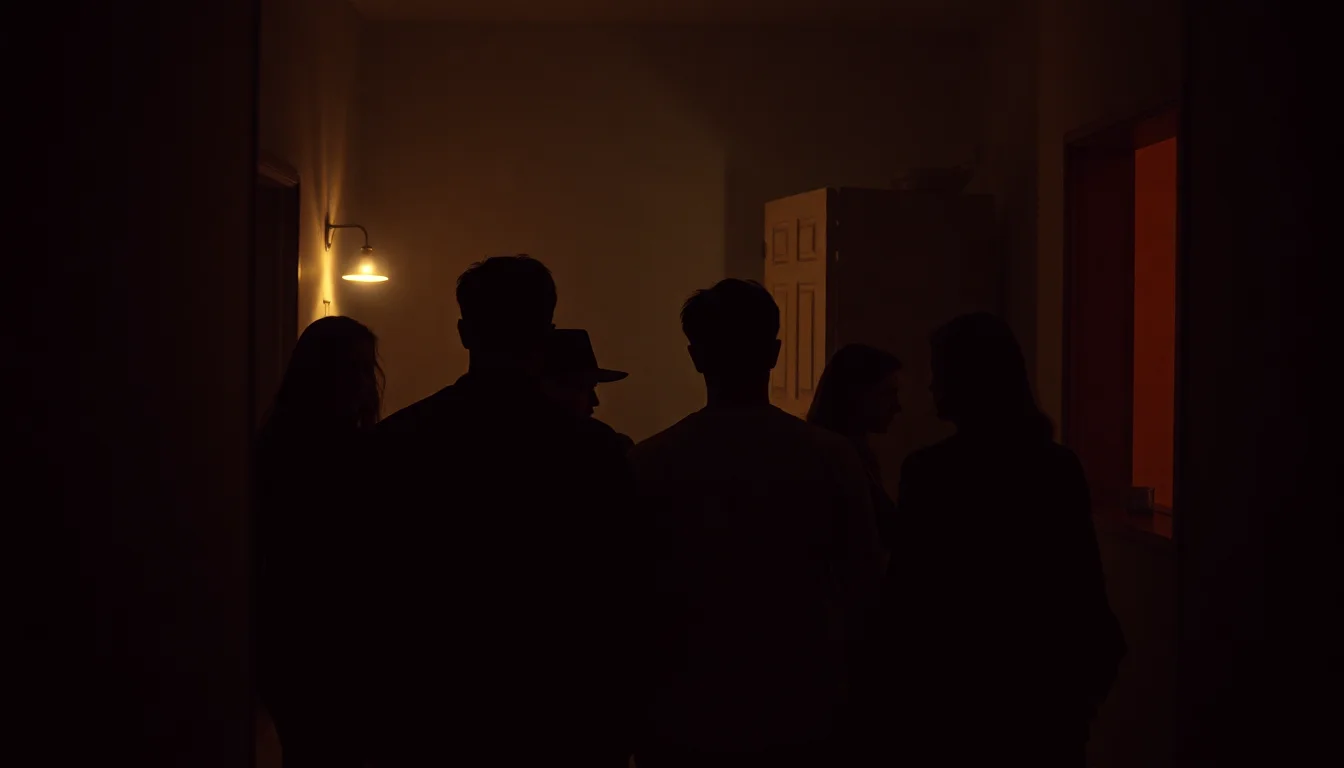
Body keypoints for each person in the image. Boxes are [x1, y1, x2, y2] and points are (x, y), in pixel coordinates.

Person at [357, 255, 642, 766]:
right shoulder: (594, 451)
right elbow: (619, 589)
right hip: (561, 711)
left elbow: (371, 590)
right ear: (545, 336)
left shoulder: (399, 442)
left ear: (465, 332)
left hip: (434, 709)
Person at [630, 279, 884, 768]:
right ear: (774, 353)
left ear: (696, 357)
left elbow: (633, 596)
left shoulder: (650, 462)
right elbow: (864, 584)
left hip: (687, 708)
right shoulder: (830, 457)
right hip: (803, 704)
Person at [873, 312, 1125, 767]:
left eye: (939, 371)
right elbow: (1082, 589)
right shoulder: (1056, 467)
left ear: (965, 379)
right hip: (1042, 703)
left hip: (951, 705)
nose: (931, 385)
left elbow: (908, 599)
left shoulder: (929, 473)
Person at [253, 315, 383, 767]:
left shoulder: (278, 443)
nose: (361, 382)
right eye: (350, 368)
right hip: (316, 635)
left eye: (365, 369)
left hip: (300, 633)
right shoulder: (344, 453)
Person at [806, 343, 904, 552]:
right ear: (857, 395)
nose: (897, 406)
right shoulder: (832, 459)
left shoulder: (857, 455)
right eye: (888, 393)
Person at [542, 328, 634, 451]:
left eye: (592, 388)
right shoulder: (600, 441)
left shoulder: (604, 439)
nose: (595, 401)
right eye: (582, 388)